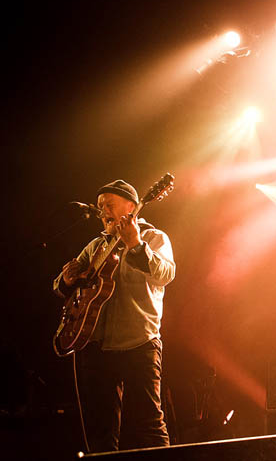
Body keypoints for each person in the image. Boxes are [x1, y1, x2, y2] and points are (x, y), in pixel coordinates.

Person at [53, 179, 175, 452]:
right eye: (99, 207)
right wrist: (67, 279)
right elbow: (60, 287)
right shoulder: (96, 245)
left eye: (109, 204)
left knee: (149, 424)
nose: (102, 211)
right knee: (100, 432)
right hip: (96, 346)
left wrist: (135, 244)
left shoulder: (155, 238)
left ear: (132, 207)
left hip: (140, 343)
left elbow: (166, 275)